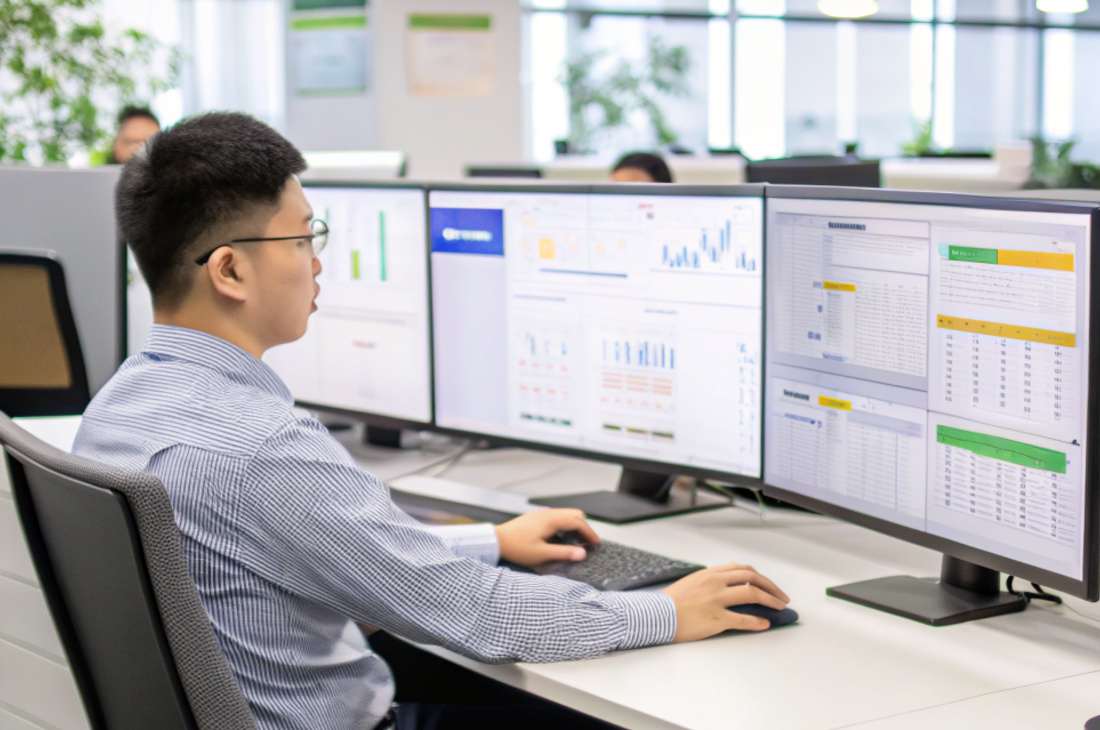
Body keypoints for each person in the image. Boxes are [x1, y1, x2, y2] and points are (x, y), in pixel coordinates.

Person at [74, 112, 790, 730]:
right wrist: (667, 610)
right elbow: (477, 617)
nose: (318, 262)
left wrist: (492, 540)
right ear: (229, 271)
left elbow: (329, 545)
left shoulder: (121, 404)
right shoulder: (263, 447)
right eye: (302, 238)